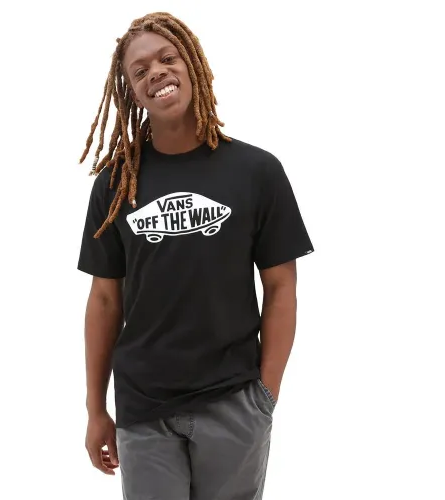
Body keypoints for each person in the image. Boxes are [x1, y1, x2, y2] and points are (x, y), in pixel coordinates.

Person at [76, 11, 314, 500]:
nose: (156, 72)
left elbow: (281, 288)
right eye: (140, 70)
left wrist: (265, 396)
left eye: (168, 58)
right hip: (143, 409)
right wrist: (96, 408)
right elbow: (104, 300)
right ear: (130, 92)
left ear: (193, 64)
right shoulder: (116, 185)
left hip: (234, 402)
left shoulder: (257, 171)